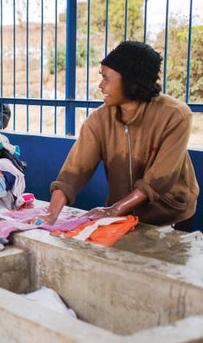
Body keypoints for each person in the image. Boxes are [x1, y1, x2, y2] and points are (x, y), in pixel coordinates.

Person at [35, 40, 199, 231]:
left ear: (130, 81)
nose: (100, 85)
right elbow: (74, 172)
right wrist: (51, 214)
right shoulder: (98, 120)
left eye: (106, 78)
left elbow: (159, 179)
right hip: (124, 216)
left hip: (169, 215)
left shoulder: (176, 115)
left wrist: (115, 209)